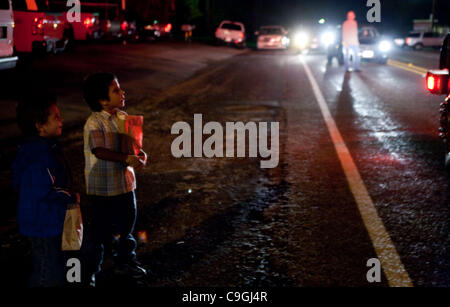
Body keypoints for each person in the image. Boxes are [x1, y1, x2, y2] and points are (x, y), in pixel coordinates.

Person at [81, 72, 148, 286]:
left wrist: (140, 155)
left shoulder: (122, 118)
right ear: (102, 99)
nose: (122, 92)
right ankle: (90, 270)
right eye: (115, 90)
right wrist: (126, 157)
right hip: (102, 190)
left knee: (126, 227)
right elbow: (99, 150)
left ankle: (125, 262)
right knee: (99, 232)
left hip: (125, 185)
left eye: (120, 89)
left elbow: (134, 147)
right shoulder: (94, 122)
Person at [12, 95, 79, 287]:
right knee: (47, 272)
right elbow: (41, 190)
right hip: (41, 224)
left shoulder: (44, 148)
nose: (61, 120)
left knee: (52, 266)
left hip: (48, 220)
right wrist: (68, 197)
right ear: (39, 126)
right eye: (56, 117)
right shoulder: (36, 154)